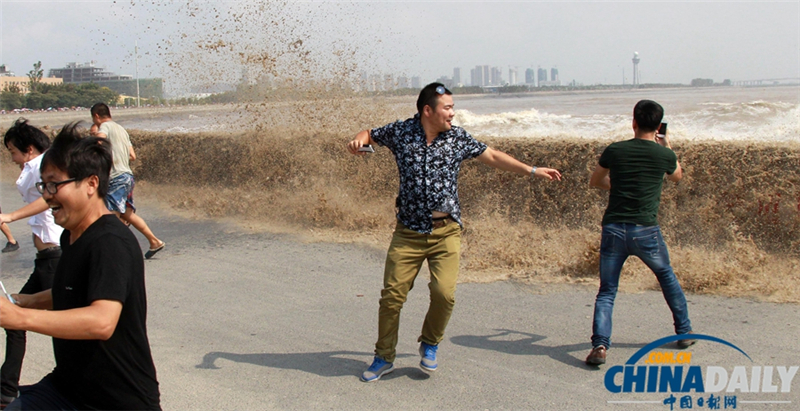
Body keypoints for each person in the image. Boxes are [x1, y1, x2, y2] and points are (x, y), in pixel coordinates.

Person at [347, 83, 562, 382]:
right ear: (427, 110)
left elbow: (495, 156)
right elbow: (370, 133)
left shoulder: (457, 138)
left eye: (452, 107)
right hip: (408, 232)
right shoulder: (401, 132)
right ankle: (384, 356)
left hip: (446, 232)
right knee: (392, 297)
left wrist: (533, 170)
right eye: (447, 107)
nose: (452, 112)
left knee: (444, 294)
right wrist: (358, 140)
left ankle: (430, 343)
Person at [0, 123, 161, 410]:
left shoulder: (110, 241)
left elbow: (102, 321)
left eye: (53, 184)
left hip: (116, 399)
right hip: (67, 387)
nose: (47, 194)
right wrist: (22, 301)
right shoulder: (72, 234)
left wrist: (18, 318)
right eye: (43, 185)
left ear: (90, 184)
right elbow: (69, 288)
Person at [585, 100, 695, 366]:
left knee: (607, 290)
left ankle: (600, 345)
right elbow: (677, 176)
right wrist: (666, 144)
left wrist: (617, 185)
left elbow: (596, 181)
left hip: (614, 228)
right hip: (646, 231)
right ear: (658, 126)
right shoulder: (664, 155)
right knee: (666, 277)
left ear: (633, 122)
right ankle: (684, 332)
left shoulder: (615, 150)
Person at [0, 119, 64, 407]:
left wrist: (10, 217)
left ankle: (71, 382)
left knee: (62, 323)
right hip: (45, 259)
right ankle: (6, 387)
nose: (11, 157)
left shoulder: (42, 165)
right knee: (15, 317)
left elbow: (48, 198)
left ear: (28, 149)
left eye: (12, 151)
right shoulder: (33, 166)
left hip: (56, 254)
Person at [89, 103, 165, 259]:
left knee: (110, 217)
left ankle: (117, 251)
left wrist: (90, 142)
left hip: (116, 179)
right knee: (128, 214)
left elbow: (100, 138)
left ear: (96, 116)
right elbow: (132, 156)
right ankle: (154, 241)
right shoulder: (121, 130)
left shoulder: (105, 126)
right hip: (127, 177)